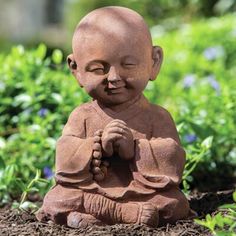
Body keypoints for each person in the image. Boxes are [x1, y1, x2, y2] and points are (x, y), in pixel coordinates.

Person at [36, 6, 192, 228]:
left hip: (141, 194)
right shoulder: (82, 116)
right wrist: (97, 145)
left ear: (154, 62)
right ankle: (127, 214)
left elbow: (172, 157)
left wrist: (135, 149)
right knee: (57, 199)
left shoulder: (157, 117)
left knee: (173, 203)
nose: (114, 77)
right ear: (75, 69)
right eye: (99, 69)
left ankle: (92, 216)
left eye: (128, 65)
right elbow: (65, 155)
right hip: (93, 192)